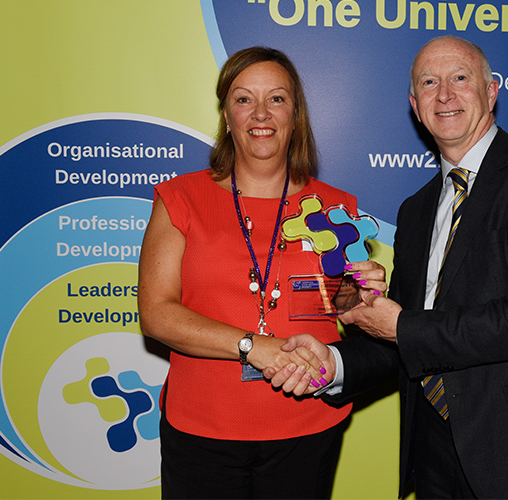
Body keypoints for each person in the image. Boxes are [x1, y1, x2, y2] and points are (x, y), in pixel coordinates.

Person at [268, 36, 508, 498]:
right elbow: (408, 339)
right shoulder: (416, 210)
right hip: (433, 456)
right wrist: (331, 363)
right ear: (415, 106)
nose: (445, 95)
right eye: (429, 83)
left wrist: (401, 326)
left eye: (460, 78)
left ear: (491, 91)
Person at [137, 46, 383, 499]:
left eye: (277, 98)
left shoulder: (335, 206)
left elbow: (340, 305)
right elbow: (156, 314)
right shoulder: (181, 198)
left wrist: (359, 295)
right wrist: (255, 347)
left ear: (295, 115)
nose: (260, 113)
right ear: (227, 115)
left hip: (307, 426)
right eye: (243, 98)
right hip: (201, 430)